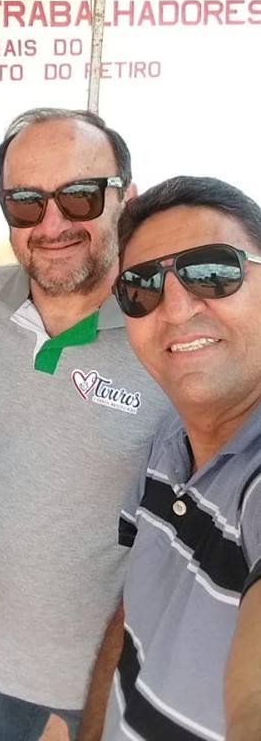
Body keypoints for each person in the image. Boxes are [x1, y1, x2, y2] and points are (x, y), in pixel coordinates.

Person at [0, 107, 170, 741]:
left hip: (121, 675)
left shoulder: (170, 330)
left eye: (80, 196)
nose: (51, 225)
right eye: (25, 203)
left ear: (127, 201)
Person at [84, 175, 261, 741]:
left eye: (212, 271)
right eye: (142, 286)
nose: (178, 308)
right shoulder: (166, 447)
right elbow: (134, 620)